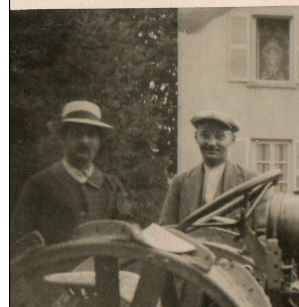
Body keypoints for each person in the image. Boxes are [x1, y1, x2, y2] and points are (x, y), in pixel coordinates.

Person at [12, 100, 134, 248]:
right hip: (52, 269)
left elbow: (130, 235)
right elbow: (18, 242)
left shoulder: (112, 187)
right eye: (77, 134)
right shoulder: (39, 185)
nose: (84, 141)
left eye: (91, 135)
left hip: (104, 269)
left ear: (99, 142)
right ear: (63, 139)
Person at [159, 110, 256, 225]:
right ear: (196, 137)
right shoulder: (179, 183)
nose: (211, 143)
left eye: (219, 136)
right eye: (205, 136)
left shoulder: (251, 182)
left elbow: (262, 235)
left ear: (232, 139)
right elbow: (167, 230)